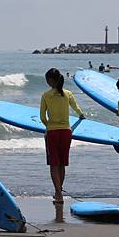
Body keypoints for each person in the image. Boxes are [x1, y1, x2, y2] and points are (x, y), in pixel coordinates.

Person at [40, 68, 85, 204]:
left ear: (51, 80)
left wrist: (48, 127)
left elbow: (42, 117)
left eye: (47, 79)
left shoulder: (46, 95)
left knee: (54, 164)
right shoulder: (68, 94)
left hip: (53, 132)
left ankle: (58, 193)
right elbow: (76, 107)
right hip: (66, 131)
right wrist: (81, 115)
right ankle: (59, 191)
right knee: (62, 164)